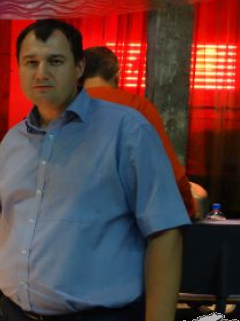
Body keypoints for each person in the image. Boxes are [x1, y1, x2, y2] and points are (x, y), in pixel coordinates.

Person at [0, 19, 190, 321]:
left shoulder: (127, 131)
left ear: (79, 68)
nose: (41, 72)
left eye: (55, 61)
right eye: (30, 62)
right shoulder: (12, 142)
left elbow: (166, 233)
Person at [82, 46, 198, 219]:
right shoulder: (137, 106)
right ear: (117, 75)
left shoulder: (62, 108)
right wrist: (189, 208)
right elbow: (169, 172)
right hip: (126, 218)